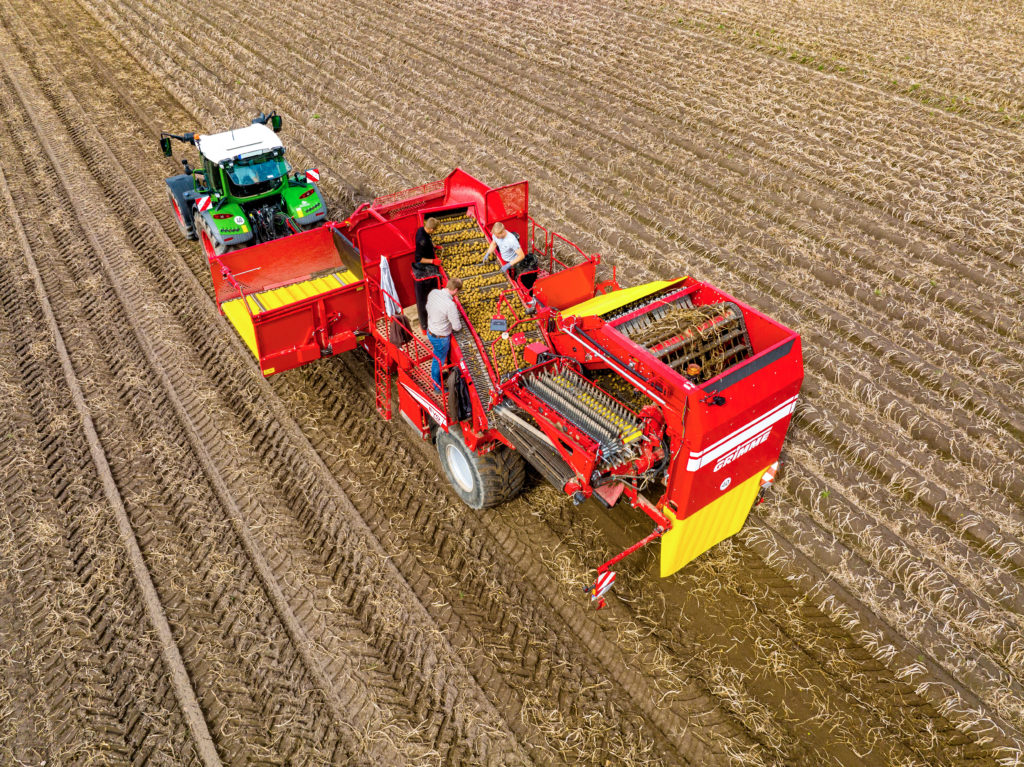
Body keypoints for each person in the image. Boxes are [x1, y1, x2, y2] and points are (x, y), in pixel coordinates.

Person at [482, 221, 537, 300]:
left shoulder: (511, 240)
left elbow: (521, 256)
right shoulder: (496, 235)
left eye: (497, 236)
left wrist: (509, 265)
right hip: (504, 259)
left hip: (514, 262)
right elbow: (494, 243)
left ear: (502, 232)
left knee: (517, 278)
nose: (496, 237)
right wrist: (488, 253)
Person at [425, 278, 463, 392]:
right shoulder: (450, 305)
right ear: (455, 290)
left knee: (438, 356)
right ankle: (437, 387)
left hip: (430, 331)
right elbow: (457, 327)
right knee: (438, 361)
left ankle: (439, 377)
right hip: (441, 338)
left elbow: (428, 307)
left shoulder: (433, 293)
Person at [412, 217, 442, 333]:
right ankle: (425, 325)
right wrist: (433, 261)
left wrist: (433, 246)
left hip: (427, 259)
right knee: (427, 297)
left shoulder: (421, 230)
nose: (434, 232)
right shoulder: (422, 241)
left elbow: (427, 240)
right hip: (423, 269)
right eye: (434, 230)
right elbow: (418, 259)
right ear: (430, 229)